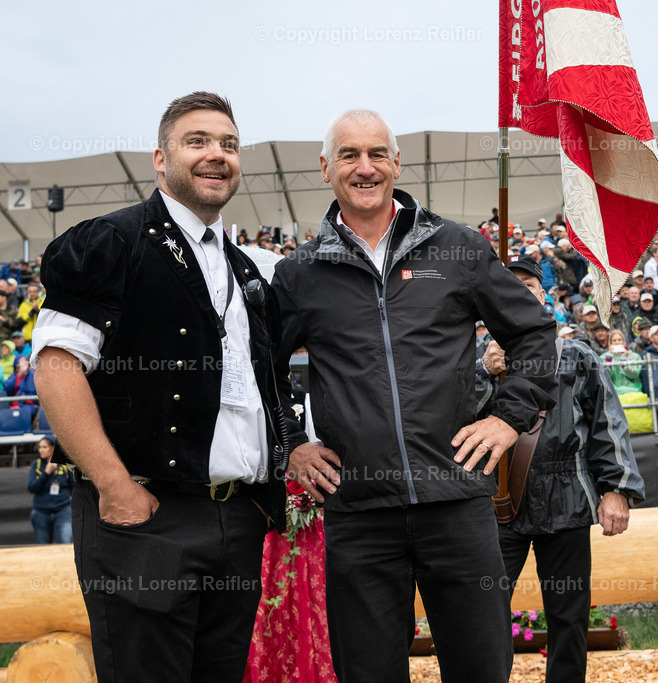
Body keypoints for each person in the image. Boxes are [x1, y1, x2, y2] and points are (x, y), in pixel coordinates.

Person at [272, 109, 557, 682]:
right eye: (349, 155)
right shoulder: (299, 273)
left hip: (458, 501)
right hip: (358, 511)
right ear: (325, 168)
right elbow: (262, 370)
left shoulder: (457, 248)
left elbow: (533, 332)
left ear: (396, 163)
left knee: (481, 668)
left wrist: (509, 418)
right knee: (368, 672)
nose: (365, 166)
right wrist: (291, 444)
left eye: (377, 153)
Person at [33, 92, 289, 681]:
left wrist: (267, 484)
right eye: (197, 141)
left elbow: (261, 389)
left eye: (229, 144)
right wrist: (115, 486)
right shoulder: (109, 240)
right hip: (146, 519)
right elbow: (56, 367)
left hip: (236, 520)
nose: (217, 154)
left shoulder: (246, 269)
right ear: (160, 158)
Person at [483, 256, 645, 683]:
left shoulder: (576, 355)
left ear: (543, 297)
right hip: (497, 501)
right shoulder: (476, 359)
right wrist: (483, 374)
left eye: (528, 285)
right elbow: (449, 418)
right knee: (482, 613)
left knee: (569, 616)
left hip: (567, 496)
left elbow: (607, 424)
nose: (519, 290)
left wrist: (616, 490)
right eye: (510, 284)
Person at [26, 437, 73, 543]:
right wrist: (46, 473)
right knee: (43, 545)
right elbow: (31, 488)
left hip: (63, 510)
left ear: (52, 448)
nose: (41, 450)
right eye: (40, 447)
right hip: (41, 511)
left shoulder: (64, 464)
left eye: (44, 447)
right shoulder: (36, 464)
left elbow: (73, 487)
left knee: (65, 542)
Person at [603, 330, 643, 395]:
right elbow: (605, 377)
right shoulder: (604, 357)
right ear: (610, 343)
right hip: (614, 392)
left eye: (619, 340)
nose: (617, 342)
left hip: (634, 391)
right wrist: (608, 359)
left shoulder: (634, 356)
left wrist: (623, 361)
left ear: (623, 342)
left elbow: (634, 375)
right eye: (614, 340)